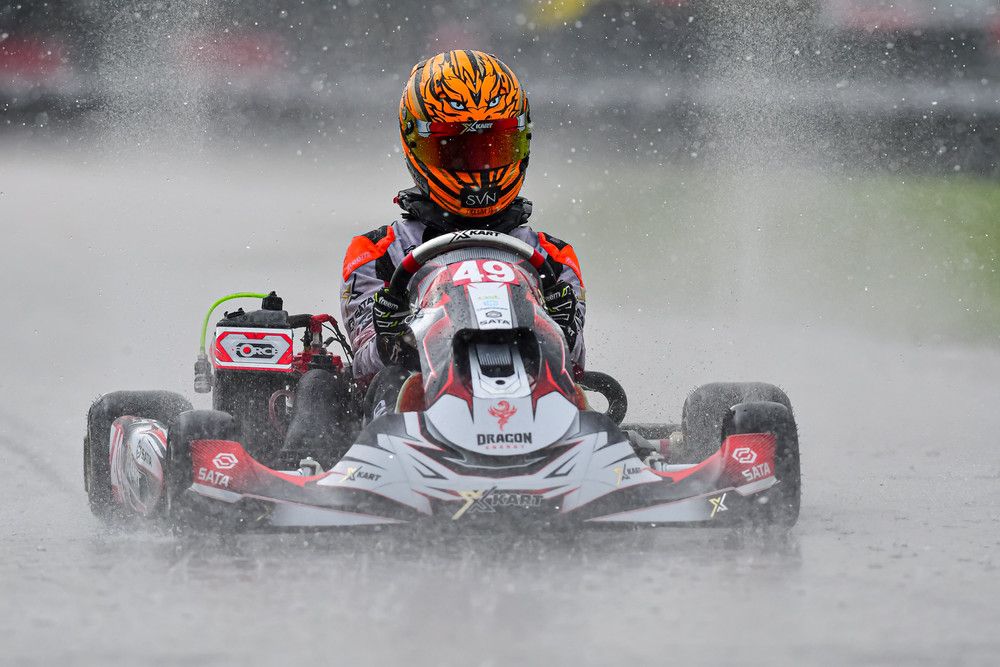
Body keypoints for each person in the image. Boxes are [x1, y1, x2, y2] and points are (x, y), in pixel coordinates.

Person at [339, 49, 586, 416]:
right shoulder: (378, 253)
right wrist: (391, 336)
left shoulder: (552, 256)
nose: (479, 167)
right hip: (412, 412)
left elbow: (575, 364)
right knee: (377, 382)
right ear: (416, 146)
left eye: (493, 148)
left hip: (536, 406)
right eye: (457, 151)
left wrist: (563, 328)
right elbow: (365, 367)